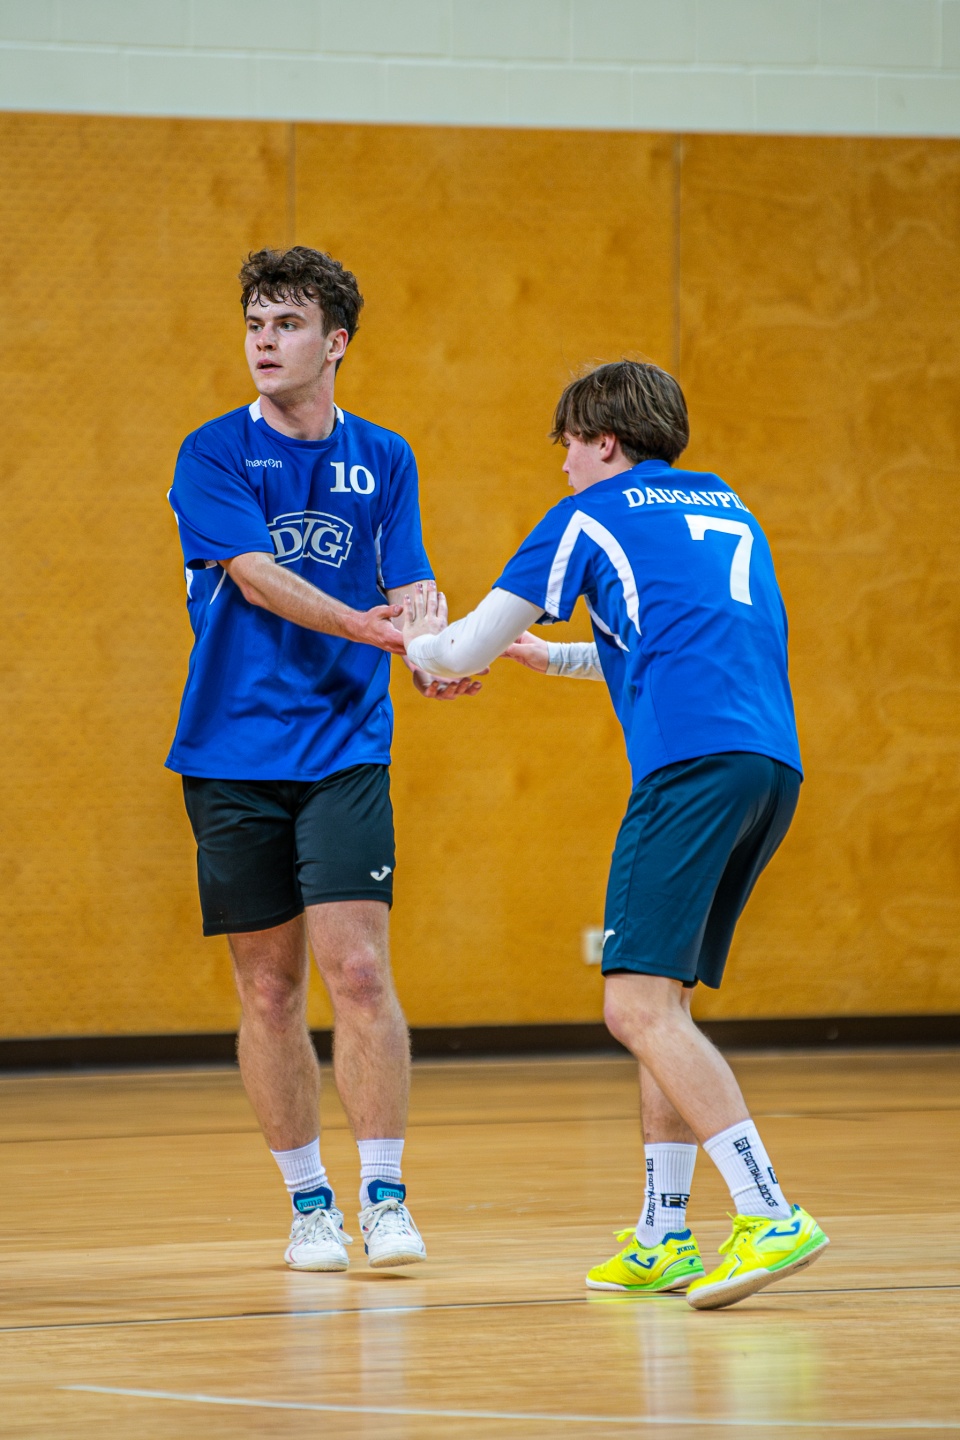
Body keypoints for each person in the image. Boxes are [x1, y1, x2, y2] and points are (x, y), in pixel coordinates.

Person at [401, 360, 828, 1310]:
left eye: (567, 443)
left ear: (604, 440)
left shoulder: (588, 517)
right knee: (663, 1002)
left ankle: (769, 1212)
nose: (561, 464)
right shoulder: (728, 510)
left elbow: (460, 648)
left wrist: (418, 639)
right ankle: (663, 1235)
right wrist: (548, 657)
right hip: (767, 767)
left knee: (632, 1008)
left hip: (687, 767)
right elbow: (670, 641)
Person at [166, 245, 479, 1274]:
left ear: (335, 342)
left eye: (288, 323)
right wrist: (369, 627)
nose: (264, 341)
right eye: (255, 323)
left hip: (346, 742)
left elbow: (412, 583)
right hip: (232, 749)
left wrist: (430, 647)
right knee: (268, 990)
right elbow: (256, 576)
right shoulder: (212, 452)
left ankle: (386, 1197)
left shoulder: (385, 456)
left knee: (358, 969)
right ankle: (310, 1206)